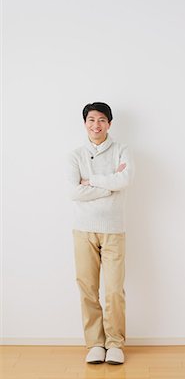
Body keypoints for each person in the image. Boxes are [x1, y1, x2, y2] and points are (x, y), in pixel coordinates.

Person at [66, 102, 134, 365]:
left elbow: (125, 180)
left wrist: (91, 180)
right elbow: (73, 192)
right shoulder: (75, 156)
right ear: (85, 123)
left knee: (114, 290)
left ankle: (115, 343)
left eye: (102, 120)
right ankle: (95, 343)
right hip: (83, 229)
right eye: (91, 120)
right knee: (87, 288)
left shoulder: (122, 150)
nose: (96, 125)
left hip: (114, 229)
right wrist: (109, 185)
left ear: (110, 124)